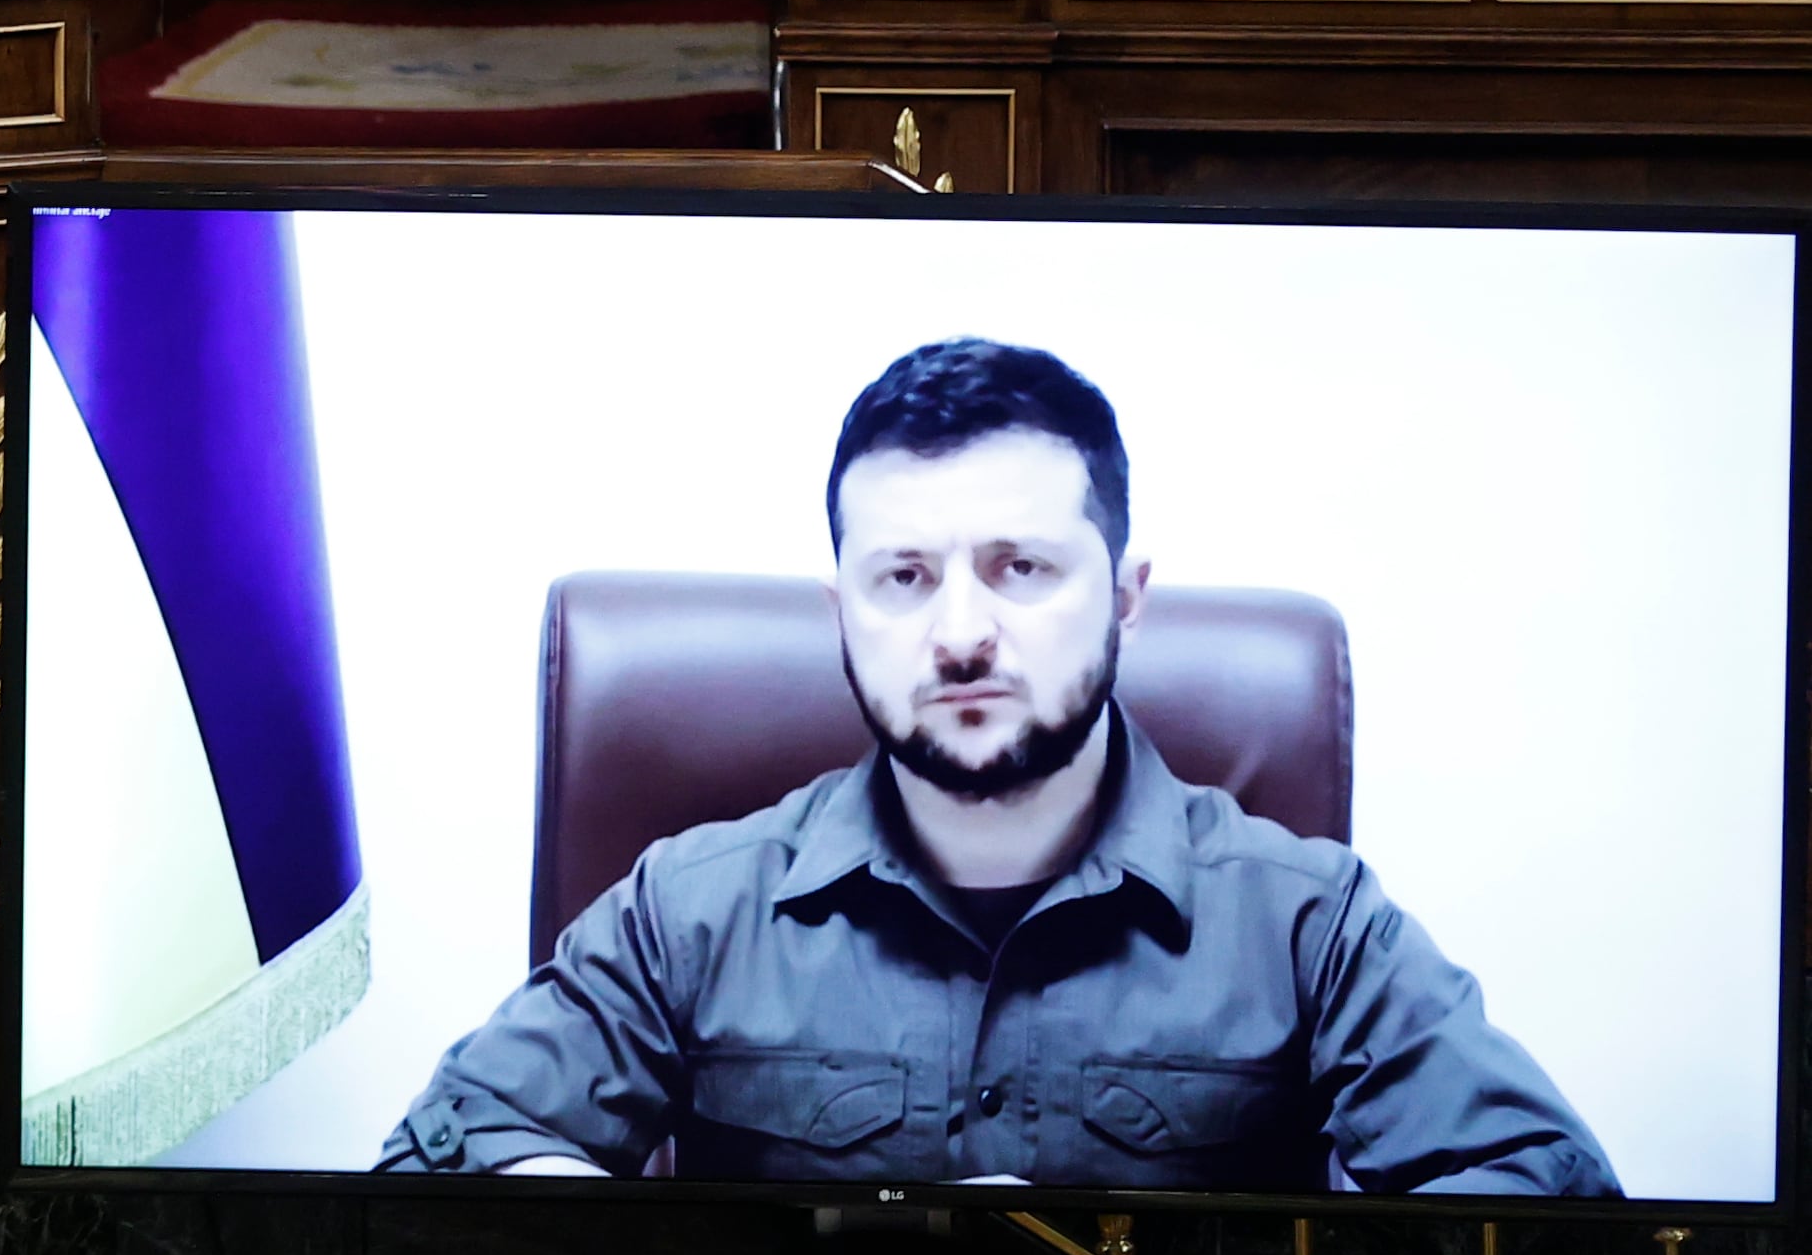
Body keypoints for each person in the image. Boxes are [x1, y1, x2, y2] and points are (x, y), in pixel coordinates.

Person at [378, 339, 1614, 1193]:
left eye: (1019, 566)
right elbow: (439, 1159)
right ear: (841, 609)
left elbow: (1548, 1218)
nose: (960, 630)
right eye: (902, 577)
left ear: (1125, 598)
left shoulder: (1305, 921)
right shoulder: (688, 907)